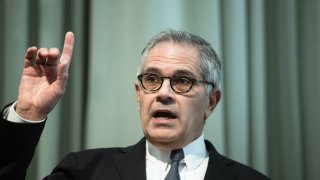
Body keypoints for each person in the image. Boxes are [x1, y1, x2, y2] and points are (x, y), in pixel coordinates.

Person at [0, 29, 270, 180]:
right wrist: (29, 113)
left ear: (211, 102)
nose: (163, 93)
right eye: (152, 79)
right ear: (138, 93)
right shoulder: (83, 171)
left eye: (182, 81)